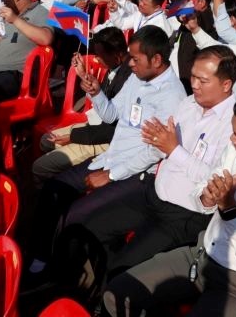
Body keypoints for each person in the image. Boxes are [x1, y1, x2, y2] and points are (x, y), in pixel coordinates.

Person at [104, 88, 236, 317]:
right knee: (118, 294)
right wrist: (208, 197)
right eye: (233, 132)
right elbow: (208, 187)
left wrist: (228, 207)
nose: (232, 139)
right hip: (202, 253)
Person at [47, 46, 236, 302]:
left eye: (203, 80)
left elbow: (215, 180)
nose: (194, 85)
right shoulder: (188, 104)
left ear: (226, 84)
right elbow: (157, 149)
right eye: (192, 77)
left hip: (185, 215)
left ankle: (107, 297)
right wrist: (115, 171)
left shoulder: (235, 124)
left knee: (125, 268)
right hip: (153, 194)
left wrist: (174, 150)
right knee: (87, 230)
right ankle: (87, 293)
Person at [26, 26, 186, 273]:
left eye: (135, 59)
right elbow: (113, 115)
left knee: (75, 216)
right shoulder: (137, 77)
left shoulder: (172, 97)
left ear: (156, 60)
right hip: (110, 158)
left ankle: (65, 272)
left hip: (134, 174)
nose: (129, 64)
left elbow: (155, 152)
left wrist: (111, 175)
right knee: (54, 190)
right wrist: (97, 92)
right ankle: (41, 255)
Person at [33, 27, 132, 184]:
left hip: (105, 140)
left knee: (39, 167)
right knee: (46, 140)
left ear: (117, 55)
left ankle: (57, 191)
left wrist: (73, 137)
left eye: (100, 55)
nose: (97, 59)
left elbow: (110, 127)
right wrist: (83, 75)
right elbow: (103, 101)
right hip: (94, 127)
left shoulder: (130, 78)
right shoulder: (114, 67)